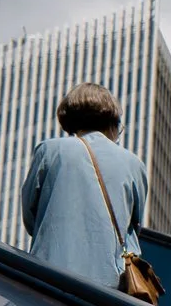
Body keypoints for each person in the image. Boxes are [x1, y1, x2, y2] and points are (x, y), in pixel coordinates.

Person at [22, 82, 148, 289]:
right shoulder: (134, 164)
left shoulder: (49, 151)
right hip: (108, 288)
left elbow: (30, 216)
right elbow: (133, 226)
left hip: (48, 275)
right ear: (113, 122)